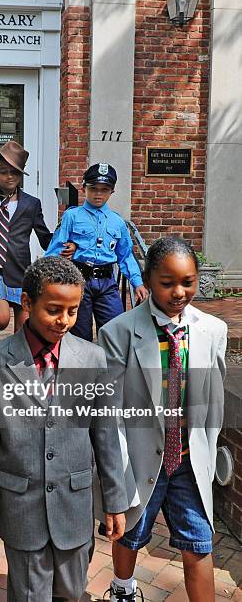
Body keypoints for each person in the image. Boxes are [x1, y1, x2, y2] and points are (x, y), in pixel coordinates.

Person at [0, 256, 129, 601]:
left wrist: (115, 500)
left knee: (72, 591)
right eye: (54, 309)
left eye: (73, 311)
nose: (64, 321)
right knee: (28, 595)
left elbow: (106, 435)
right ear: (27, 302)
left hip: (75, 504)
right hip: (22, 505)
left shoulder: (92, 359)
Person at [96, 236, 227, 602]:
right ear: (148, 279)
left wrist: (207, 451)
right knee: (129, 531)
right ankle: (122, 590)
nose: (179, 292)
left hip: (187, 459)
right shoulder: (118, 333)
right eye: (167, 283)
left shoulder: (213, 331)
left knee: (199, 542)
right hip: (138, 459)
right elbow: (111, 410)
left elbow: (213, 401)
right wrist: (116, 475)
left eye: (188, 282)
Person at [0, 140, 75, 347]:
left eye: (15, 172)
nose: (9, 176)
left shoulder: (31, 203)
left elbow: (44, 238)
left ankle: (15, 368)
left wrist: (64, 240)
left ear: (21, 176)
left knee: (22, 330)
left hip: (21, 271)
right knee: (1, 319)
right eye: (3, 172)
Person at [45, 162, 148, 341]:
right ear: (84, 188)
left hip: (107, 284)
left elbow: (126, 256)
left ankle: (110, 368)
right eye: (93, 188)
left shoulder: (117, 222)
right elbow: (55, 249)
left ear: (112, 191)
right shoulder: (72, 216)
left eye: (104, 189)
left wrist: (137, 282)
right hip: (78, 281)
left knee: (115, 330)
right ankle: (83, 368)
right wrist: (45, 279)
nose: (98, 194)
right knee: (79, 333)